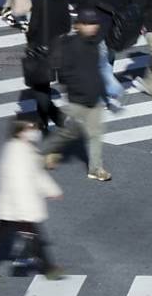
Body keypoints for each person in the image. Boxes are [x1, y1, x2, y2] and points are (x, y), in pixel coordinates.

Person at [0, 121, 64, 281]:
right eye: (30, 128)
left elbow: (37, 174)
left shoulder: (24, 149)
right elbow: (19, 182)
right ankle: (49, 268)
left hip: (12, 206)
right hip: (17, 205)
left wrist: (52, 190)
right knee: (33, 234)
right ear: (19, 131)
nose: (34, 131)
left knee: (0, 235)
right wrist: (23, 210)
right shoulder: (17, 151)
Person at [43, 9, 111, 181]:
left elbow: (97, 71)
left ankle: (96, 168)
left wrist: (103, 93)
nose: (92, 27)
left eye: (94, 23)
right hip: (77, 97)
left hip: (93, 96)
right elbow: (64, 73)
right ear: (78, 25)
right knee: (70, 132)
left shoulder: (95, 43)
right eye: (87, 23)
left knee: (95, 133)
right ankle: (49, 151)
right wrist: (76, 89)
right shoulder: (70, 45)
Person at [25, 0, 71, 132]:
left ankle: (51, 117)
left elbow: (34, 27)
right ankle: (46, 119)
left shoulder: (39, 1)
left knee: (40, 86)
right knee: (42, 86)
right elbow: (67, 25)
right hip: (57, 48)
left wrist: (29, 36)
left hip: (40, 48)